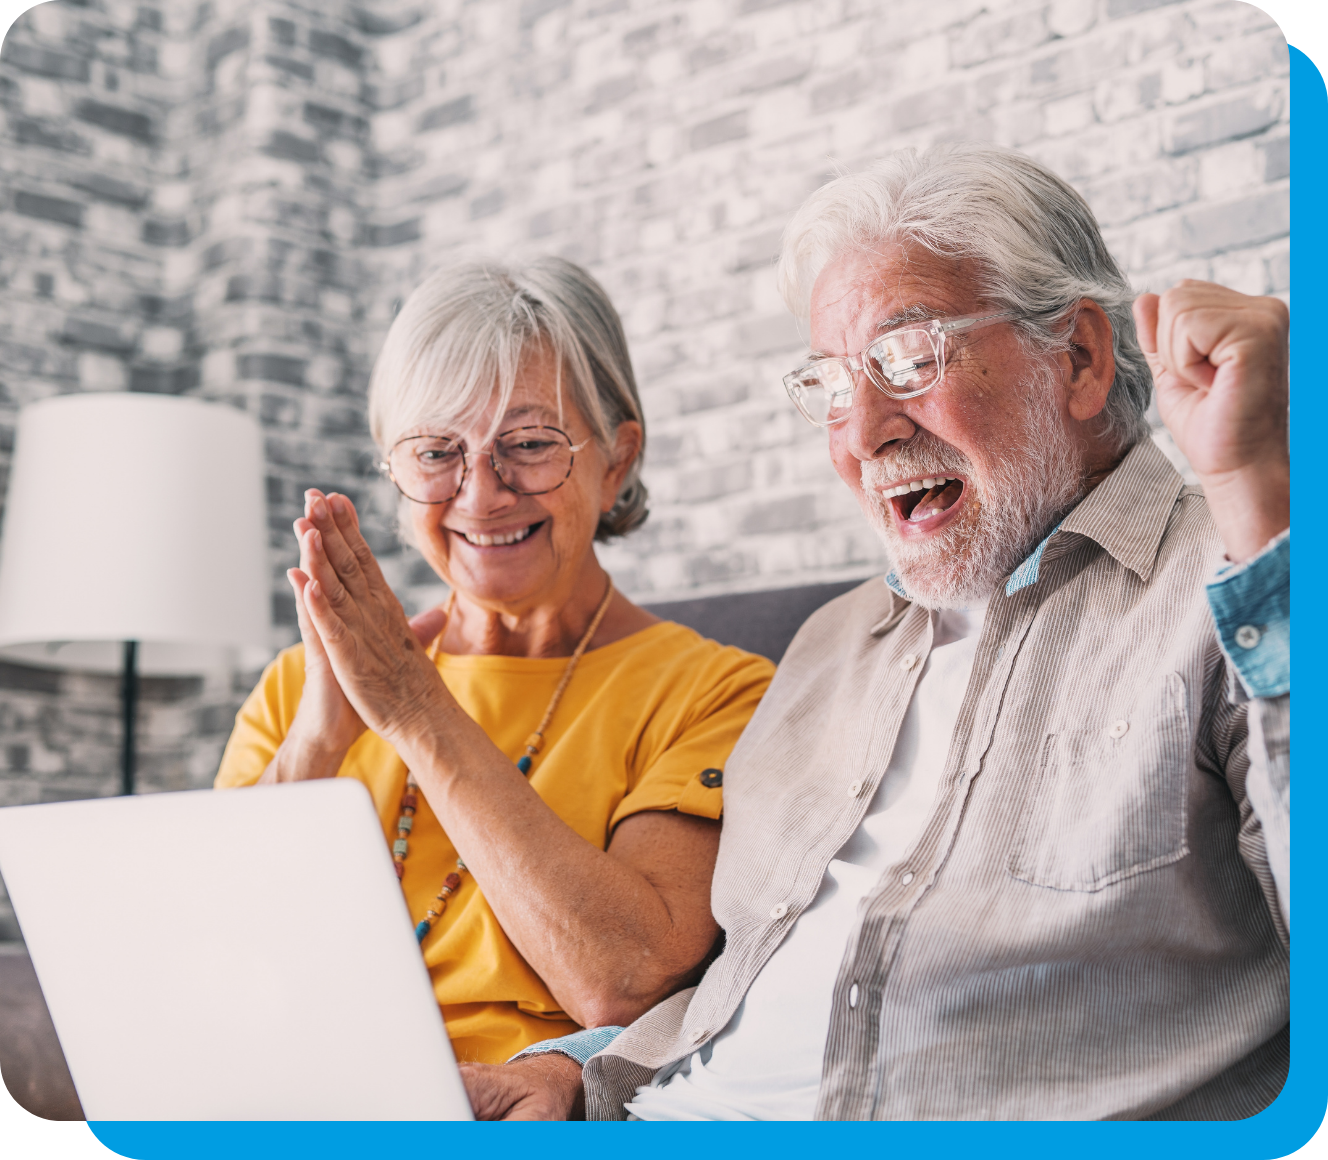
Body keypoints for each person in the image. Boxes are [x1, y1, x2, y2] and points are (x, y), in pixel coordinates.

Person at [460, 145, 1290, 1119]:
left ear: (1077, 358)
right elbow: (758, 972)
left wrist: (1257, 498)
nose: (860, 434)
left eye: (906, 358)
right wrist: (574, 1065)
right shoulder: (830, 644)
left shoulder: (1245, 575)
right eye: (828, 385)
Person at [215, 258, 774, 1065]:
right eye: (436, 452)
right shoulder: (302, 690)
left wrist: (414, 710)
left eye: (530, 444)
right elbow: (208, 961)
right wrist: (317, 740)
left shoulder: (716, 693)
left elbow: (621, 979)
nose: (480, 495)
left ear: (617, 461)